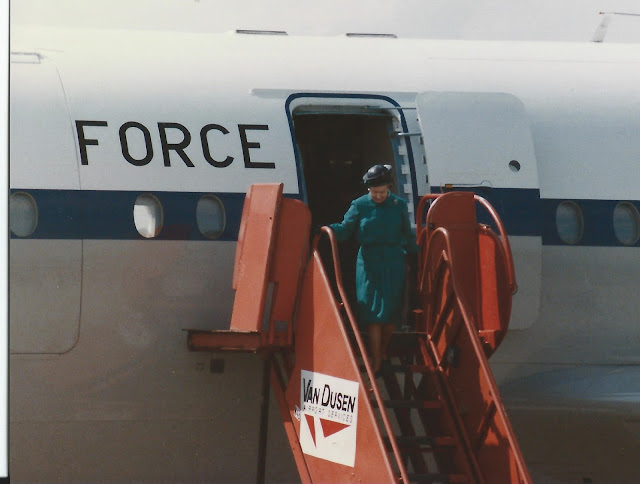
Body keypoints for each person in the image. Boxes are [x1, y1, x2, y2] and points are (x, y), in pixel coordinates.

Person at [329, 164, 418, 376]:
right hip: (368, 262)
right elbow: (345, 229)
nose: (378, 196)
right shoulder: (359, 205)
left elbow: (407, 234)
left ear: (389, 188)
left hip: (393, 261)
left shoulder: (398, 205)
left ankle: (382, 352)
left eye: (382, 192)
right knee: (372, 312)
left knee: (390, 313)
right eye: (374, 192)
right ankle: (377, 359)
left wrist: (415, 253)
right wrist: (328, 229)